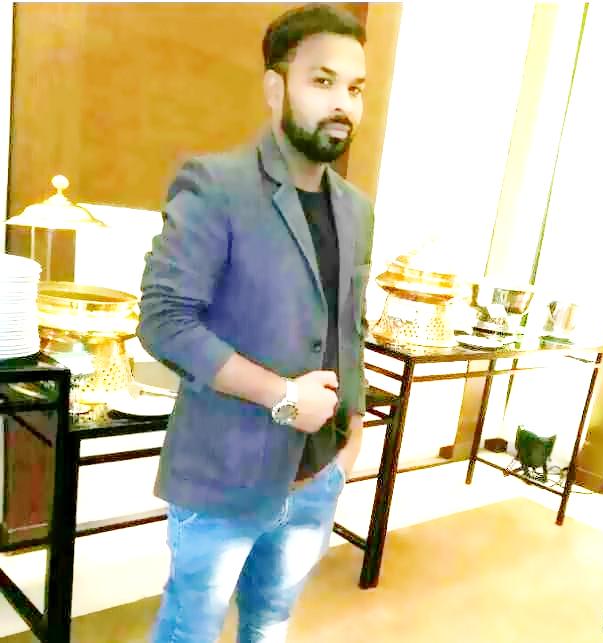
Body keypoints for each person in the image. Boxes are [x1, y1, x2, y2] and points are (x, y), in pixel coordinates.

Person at [137, 4, 374, 641]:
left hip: (317, 474)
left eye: (355, 88)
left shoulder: (357, 210)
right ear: (276, 87)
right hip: (225, 470)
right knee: (190, 629)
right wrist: (283, 396)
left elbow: (347, 323)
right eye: (322, 81)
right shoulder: (216, 184)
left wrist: (352, 433)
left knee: (270, 622)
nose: (342, 104)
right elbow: (163, 321)